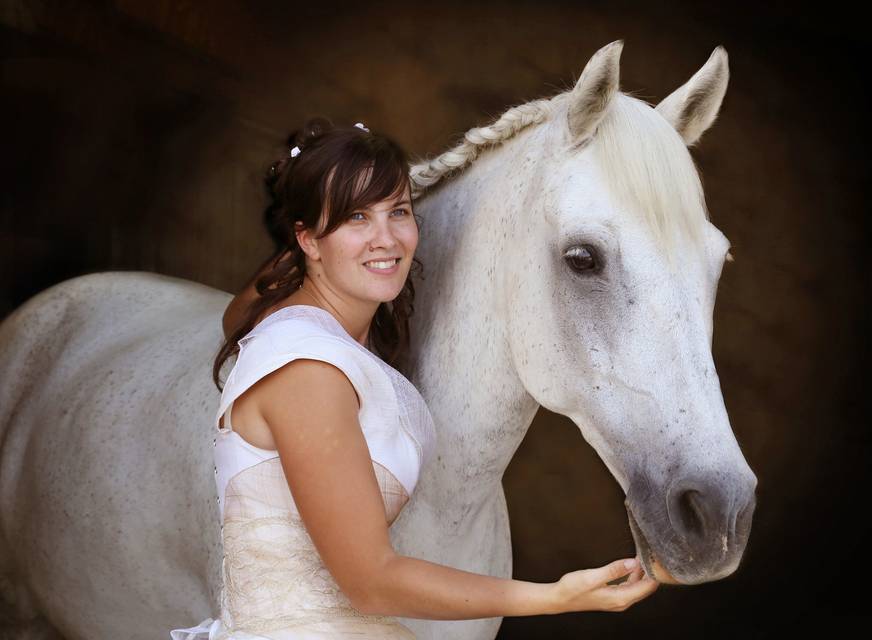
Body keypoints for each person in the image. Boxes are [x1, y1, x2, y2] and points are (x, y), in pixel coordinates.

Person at [171, 118, 659, 639]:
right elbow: (369, 581)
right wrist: (556, 596)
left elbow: (239, 315)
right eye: (356, 216)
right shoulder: (307, 369)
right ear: (307, 240)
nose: (387, 238)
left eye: (398, 211)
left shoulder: (318, 337)